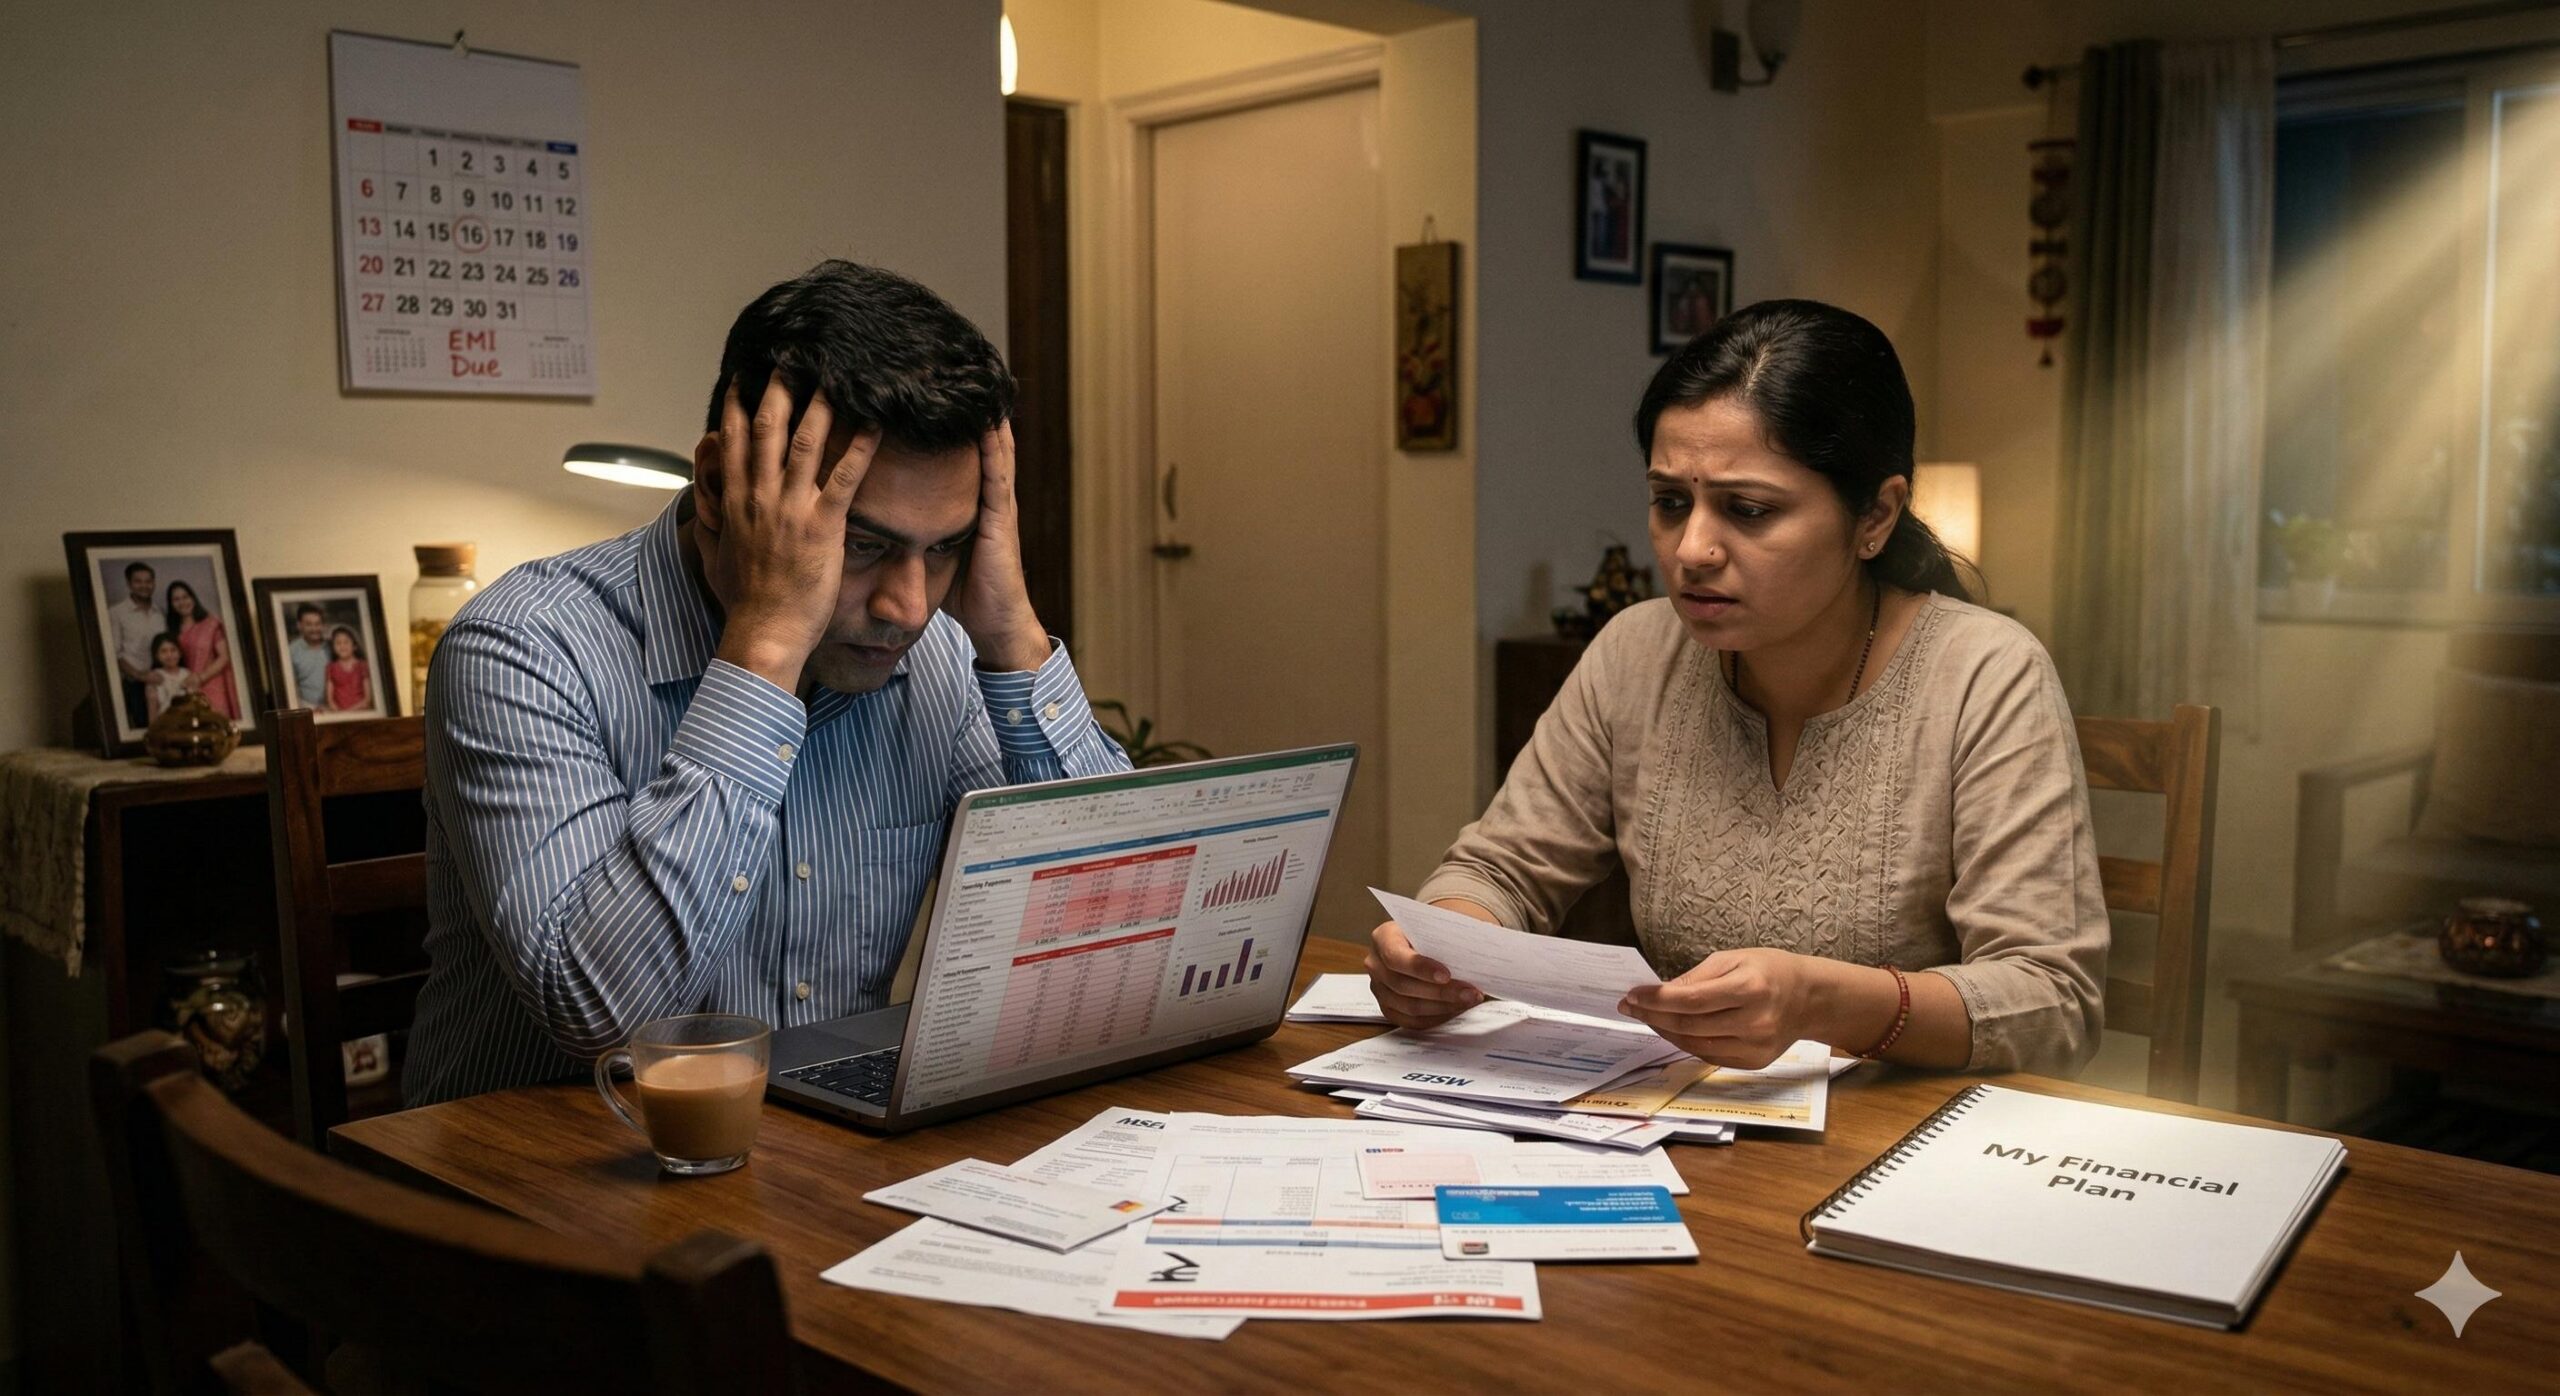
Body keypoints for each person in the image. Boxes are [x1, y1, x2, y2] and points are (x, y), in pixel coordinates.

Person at [404, 260, 1131, 1105]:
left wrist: (1013, 639)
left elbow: (1119, 934)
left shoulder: (931, 653)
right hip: (534, 1184)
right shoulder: (524, 646)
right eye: (861, 544)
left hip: (810, 1161)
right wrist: (767, 646)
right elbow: (610, 1025)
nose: (906, 607)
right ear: (718, 487)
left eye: (943, 549)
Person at [1366, 300, 2107, 1077]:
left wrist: (1823, 1003)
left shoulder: (1983, 675)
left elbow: (2051, 1000)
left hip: (1901, 1146)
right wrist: (1441, 946)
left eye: (1748, 510)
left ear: (1876, 517)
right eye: (1670, 502)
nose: (1692, 549)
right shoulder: (1637, 653)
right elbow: (1498, 869)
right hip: (1681, 1129)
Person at [164, 580, 239, 721]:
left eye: (185, 597)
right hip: (187, 686)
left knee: (218, 726)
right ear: (171, 604)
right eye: (176, 599)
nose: (182, 602)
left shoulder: (211, 623)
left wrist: (200, 678)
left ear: (193, 598)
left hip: (213, 683)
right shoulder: (173, 630)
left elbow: (224, 657)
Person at [108, 562, 161, 730]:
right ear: (129, 584)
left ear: (154, 583)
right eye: (138, 581)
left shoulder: (160, 612)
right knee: (144, 731)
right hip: (135, 684)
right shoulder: (116, 613)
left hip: (161, 681)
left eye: (148, 581)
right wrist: (139, 675)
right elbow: (114, 654)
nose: (144, 586)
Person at [286, 603, 333, 708]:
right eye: (309, 624)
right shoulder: (291, 651)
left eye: (317, 624)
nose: (314, 629)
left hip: (335, 706)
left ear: (323, 625)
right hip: (306, 707)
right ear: (299, 625)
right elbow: (291, 686)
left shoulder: (333, 647)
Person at [143, 633, 193, 720]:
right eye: (163, 651)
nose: (169, 655)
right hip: (165, 726)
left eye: (173, 650)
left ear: (180, 652)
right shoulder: (155, 677)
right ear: (156, 656)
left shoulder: (187, 674)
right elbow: (152, 713)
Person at [325, 626, 372, 712]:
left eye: (346, 642)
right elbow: (330, 700)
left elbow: (367, 699)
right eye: (338, 643)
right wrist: (340, 714)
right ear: (333, 647)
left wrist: (349, 712)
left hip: (361, 713)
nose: (342, 646)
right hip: (339, 715)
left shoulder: (363, 666)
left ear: (354, 646)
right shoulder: (331, 668)